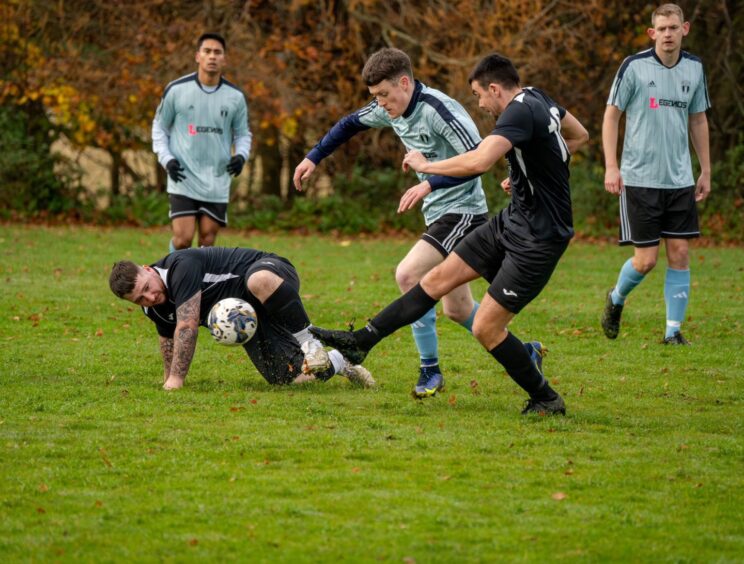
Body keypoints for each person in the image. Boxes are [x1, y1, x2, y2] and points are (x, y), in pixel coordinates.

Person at [311, 53, 589, 415]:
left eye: (478, 96)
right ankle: (360, 342)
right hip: (511, 220)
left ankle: (546, 399)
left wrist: (427, 168)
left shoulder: (516, 112)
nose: (479, 104)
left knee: (487, 327)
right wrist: (529, 173)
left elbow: (478, 161)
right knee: (436, 279)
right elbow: (578, 135)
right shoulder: (539, 97)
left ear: (493, 88)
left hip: (539, 238)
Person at [293, 48, 489, 398]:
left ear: (404, 82)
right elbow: (349, 123)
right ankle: (525, 352)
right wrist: (313, 157)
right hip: (440, 213)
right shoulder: (393, 108)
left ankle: (430, 370)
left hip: (464, 211)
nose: (380, 103)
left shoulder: (439, 110)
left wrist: (429, 181)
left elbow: (478, 160)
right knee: (458, 309)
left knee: (408, 274)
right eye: (374, 97)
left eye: (383, 94)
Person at [108, 247, 375, 390]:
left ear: (147, 269)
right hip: (250, 314)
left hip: (272, 276)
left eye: (146, 288)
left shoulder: (180, 267)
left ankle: (310, 340)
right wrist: (168, 377)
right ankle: (341, 359)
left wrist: (177, 381)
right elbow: (167, 338)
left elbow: (187, 326)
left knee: (257, 279)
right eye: (139, 300)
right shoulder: (153, 307)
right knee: (288, 378)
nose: (149, 298)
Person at [601, 3, 711, 345]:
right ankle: (616, 299)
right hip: (639, 179)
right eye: (661, 29)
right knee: (646, 260)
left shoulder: (694, 68)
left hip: (679, 180)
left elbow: (698, 120)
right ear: (652, 33)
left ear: (685, 29)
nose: (668, 34)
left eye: (673, 28)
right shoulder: (633, 67)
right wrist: (611, 166)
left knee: (679, 253)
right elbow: (611, 117)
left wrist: (705, 169)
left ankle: (673, 332)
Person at [152, 32, 252, 252]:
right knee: (183, 239)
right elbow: (159, 127)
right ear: (198, 56)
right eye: (207, 51)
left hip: (216, 179)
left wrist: (241, 156)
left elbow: (243, 134)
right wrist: (167, 159)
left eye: (217, 52)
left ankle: (200, 285)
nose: (212, 56)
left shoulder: (235, 97)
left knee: (207, 240)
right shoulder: (176, 90)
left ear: (224, 59)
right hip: (183, 176)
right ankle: (174, 280)